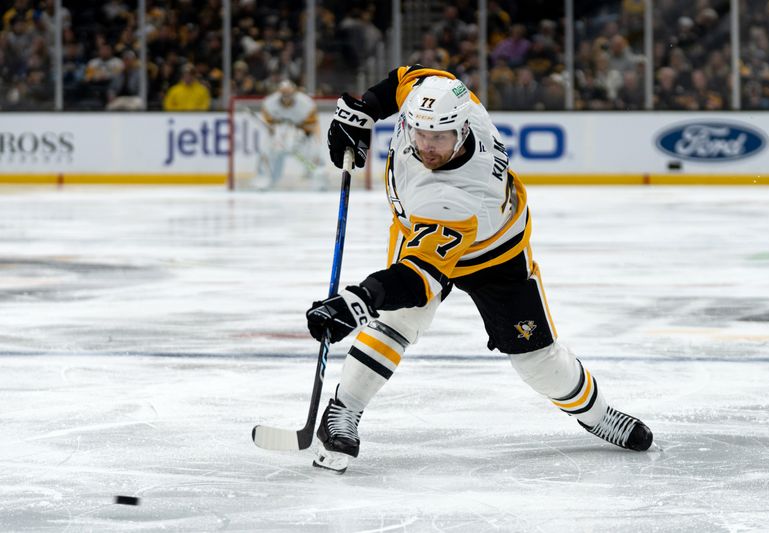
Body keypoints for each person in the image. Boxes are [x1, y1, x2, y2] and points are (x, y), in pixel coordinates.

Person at [306, 65, 653, 473]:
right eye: (420, 133)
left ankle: (598, 416)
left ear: (464, 130)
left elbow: (419, 279)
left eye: (439, 138)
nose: (427, 147)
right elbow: (407, 77)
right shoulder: (442, 100)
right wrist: (366, 108)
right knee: (397, 323)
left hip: (494, 252)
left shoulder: (455, 192)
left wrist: (358, 301)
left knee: (538, 361)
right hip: (419, 232)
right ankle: (343, 411)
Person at [255, 80, 327, 190]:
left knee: (314, 153)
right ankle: (265, 178)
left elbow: (312, 125)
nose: (286, 96)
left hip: (300, 136)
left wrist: (297, 132)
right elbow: (269, 125)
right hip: (279, 137)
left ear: (294, 91)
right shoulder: (269, 103)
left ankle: (319, 180)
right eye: (283, 93)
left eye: (288, 92)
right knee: (266, 151)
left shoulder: (306, 104)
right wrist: (279, 132)